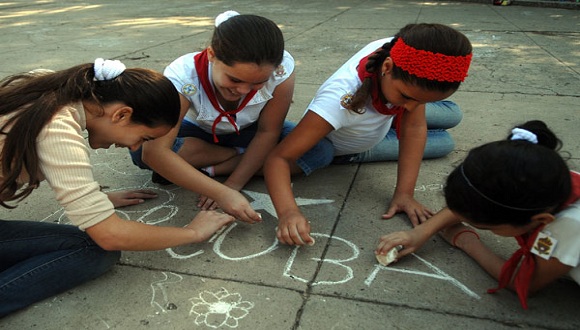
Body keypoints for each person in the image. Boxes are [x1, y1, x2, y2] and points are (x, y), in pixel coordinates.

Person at [0, 59, 235, 317]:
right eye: (143, 138)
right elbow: (109, 235)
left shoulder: (50, 87)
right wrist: (193, 232)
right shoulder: (57, 128)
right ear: (121, 114)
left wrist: (95, 200)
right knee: (95, 250)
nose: (135, 148)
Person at [264, 23, 473, 246]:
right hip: (354, 146)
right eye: (406, 97)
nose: (412, 108)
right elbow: (278, 159)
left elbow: (413, 127)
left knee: (453, 114)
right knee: (443, 143)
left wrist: (404, 194)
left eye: (422, 101)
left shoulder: (396, 51)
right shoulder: (339, 101)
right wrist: (288, 213)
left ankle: (408, 103)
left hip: (377, 119)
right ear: (387, 67)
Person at [376, 120, 580, 309]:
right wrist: (422, 231)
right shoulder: (549, 179)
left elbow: (525, 282)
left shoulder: (569, 226)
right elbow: (477, 202)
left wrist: (466, 241)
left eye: (489, 227)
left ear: (542, 221)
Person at [130, 10, 294, 220]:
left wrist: (233, 185)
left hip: (251, 132)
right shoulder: (183, 74)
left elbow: (268, 131)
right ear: (211, 55)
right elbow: (153, 153)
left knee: (319, 150)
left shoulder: (280, 69)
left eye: (256, 83)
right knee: (141, 148)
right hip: (201, 131)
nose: (243, 90)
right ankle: (237, 153)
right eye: (234, 80)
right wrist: (221, 193)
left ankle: (211, 168)